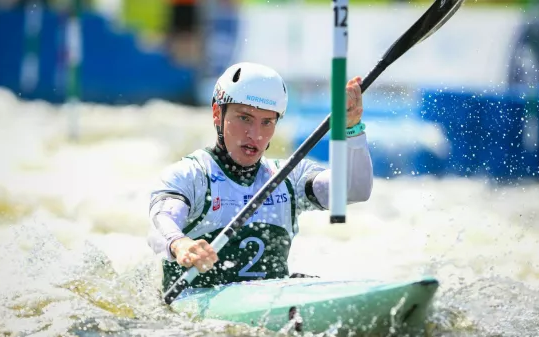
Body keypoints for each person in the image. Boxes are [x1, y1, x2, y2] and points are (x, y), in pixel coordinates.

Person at [147, 62, 373, 298]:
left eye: (267, 122)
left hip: (271, 309)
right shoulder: (191, 175)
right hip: (193, 309)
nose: (255, 135)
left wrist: (352, 129)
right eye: (245, 118)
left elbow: (354, 189)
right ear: (217, 113)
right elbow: (160, 221)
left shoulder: (288, 177)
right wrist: (179, 244)